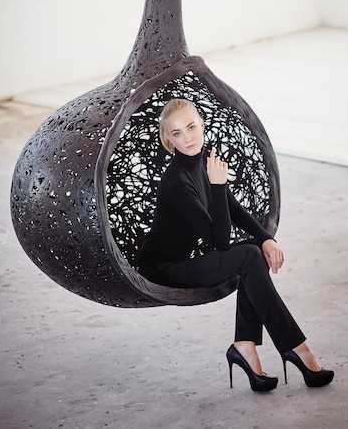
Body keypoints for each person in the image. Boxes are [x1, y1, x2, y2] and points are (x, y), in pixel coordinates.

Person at [137, 98, 334, 392]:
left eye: (191, 127)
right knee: (247, 257)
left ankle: (245, 345)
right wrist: (217, 185)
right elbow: (219, 240)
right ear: (169, 139)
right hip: (163, 269)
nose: (187, 137)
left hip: (184, 259)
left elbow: (234, 209)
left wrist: (266, 238)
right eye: (177, 133)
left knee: (252, 255)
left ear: (202, 125)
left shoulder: (204, 161)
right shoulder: (176, 183)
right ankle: (296, 347)